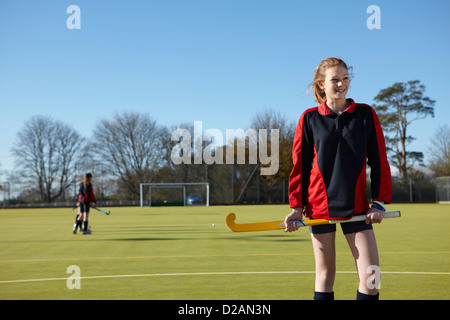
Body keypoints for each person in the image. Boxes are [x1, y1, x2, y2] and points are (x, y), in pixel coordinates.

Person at [284, 57, 392, 300]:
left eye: (345, 78)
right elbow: (299, 167)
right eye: (335, 79)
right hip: (320, 208)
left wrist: (379, 202)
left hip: (357, 207)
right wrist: (296, 207)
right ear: (322, 84)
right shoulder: (309, 118)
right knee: (325, 274)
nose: (342, 84)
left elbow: (379, 160)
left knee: (371, 277)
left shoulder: (365, 114)